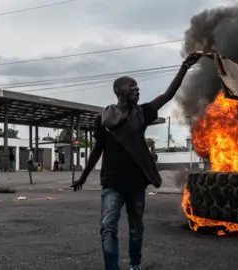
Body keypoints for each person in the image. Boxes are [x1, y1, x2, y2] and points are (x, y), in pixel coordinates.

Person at [71, 52, 201, 270]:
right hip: (111, 184)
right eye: (133, 86)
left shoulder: (142, 113)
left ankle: (134, 265)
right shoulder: (102, 119)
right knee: (107, 228)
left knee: (135, 229)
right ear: (119, 90)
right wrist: (83, 177)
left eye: (138, 87)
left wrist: (184, 67)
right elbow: (97, 150)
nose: (137, 90)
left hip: (136, 184)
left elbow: (167, 95)